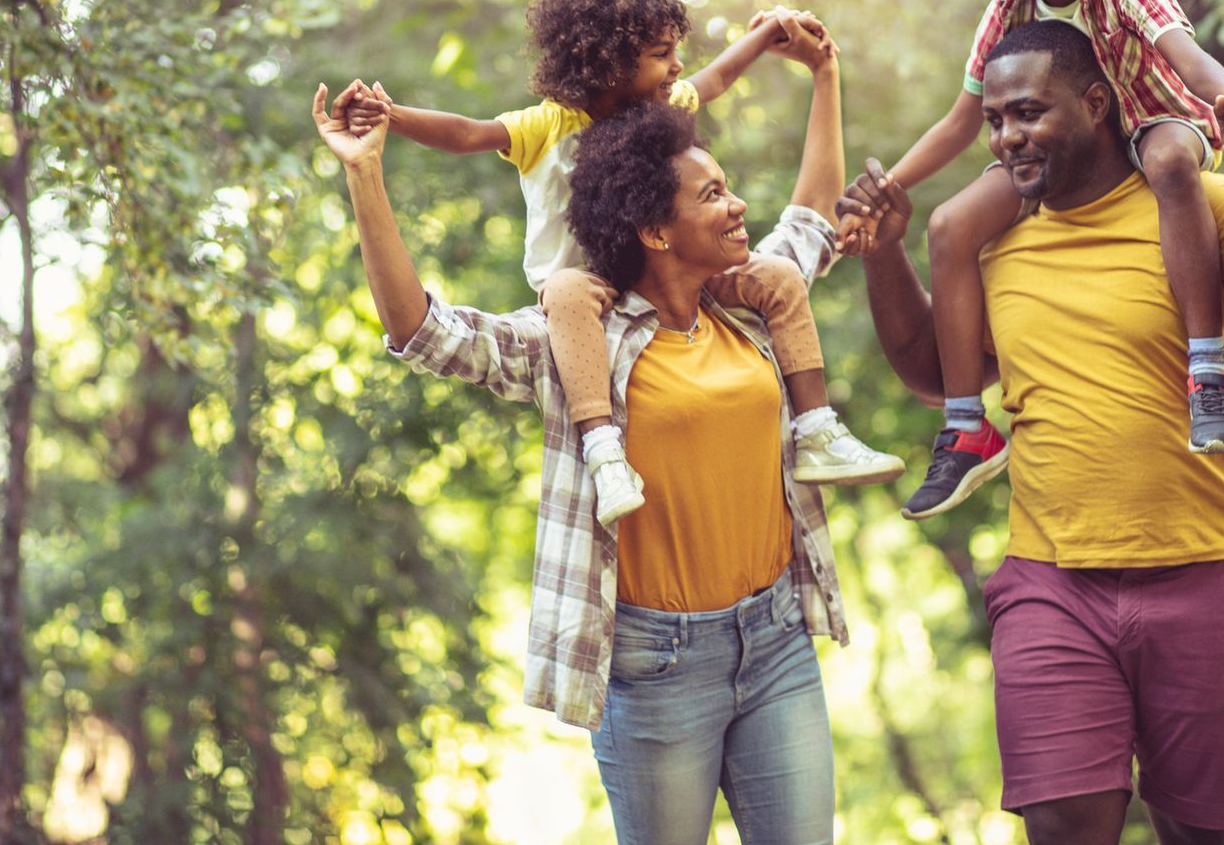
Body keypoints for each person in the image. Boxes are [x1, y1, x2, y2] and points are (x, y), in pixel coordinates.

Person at [312, 45, 854, 844]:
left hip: (775, 644)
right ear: (655, 231)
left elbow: (813, 219)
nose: (738, 206)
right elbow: (422, 329)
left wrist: (827, 77)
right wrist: (364, 173)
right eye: (713, 195)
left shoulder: (752, 305)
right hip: (655, 666)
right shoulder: (578, 343)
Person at [842, 20, 1224, 845]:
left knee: (1203, 834)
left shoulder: (1202, 206)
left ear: (1095, 103)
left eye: (1028, 113)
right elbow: (936, 375)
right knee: (1060, 826)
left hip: (1207, 573)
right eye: (997, 121)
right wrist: (883, 253)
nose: (1008, 137)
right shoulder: (996, 241)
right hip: (1054, 584)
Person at [348, 0, 899, 528]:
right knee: (567, 290)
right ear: (610, 62)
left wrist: (776, 38)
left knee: (779, 275)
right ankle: (604, 452)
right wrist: (389, 120)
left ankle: (817, 429)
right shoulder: (550, 124)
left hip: (656, 274)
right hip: (582, 294)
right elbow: (467, 134)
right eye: (662, 54)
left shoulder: (665, 121)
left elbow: (718, 82)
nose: (677, 66)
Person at [839, 0, 1224, 520]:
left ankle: (1208, 370)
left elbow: (1188, 59)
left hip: (1153, 122)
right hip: (1062, 150)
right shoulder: (1007, 5)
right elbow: (961, 120)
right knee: (949, 226)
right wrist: (892, 188)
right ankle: (968, 425)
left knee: (1172, 161)